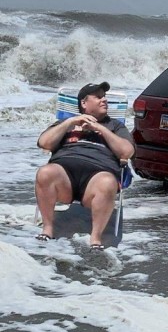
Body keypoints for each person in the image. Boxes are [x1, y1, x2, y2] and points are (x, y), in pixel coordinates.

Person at [34, 82, 135, 249]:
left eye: (105, 97)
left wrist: (100, 129)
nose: (104, 100)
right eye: (98, 97)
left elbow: (127, 152)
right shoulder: (67, 123)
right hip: (64, 179)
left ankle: (95, 239)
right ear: (83, 103)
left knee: (107, 182)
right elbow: (44, 143)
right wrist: (70, 122)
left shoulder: (115, 126)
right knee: (45, 172)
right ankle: (48, 229)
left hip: (97, 179)